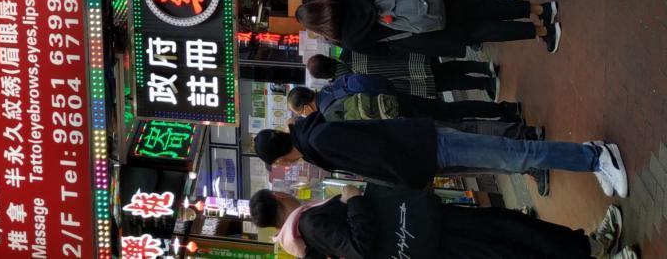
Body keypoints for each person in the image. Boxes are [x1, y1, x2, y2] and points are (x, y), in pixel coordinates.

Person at [254, 117, 628, 196]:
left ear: (282, 159)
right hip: (426, 150)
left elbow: (381, 153)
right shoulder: (316, 140)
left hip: (426, 148)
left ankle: (595, 156)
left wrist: (412, 181)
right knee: (514, 158)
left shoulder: (321, 139)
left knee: (516, 155)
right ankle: (588, 156)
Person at [248, 188, 630, 259]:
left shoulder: (307, 233)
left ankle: (588, 247)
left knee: (511, 232)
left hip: (427, 235)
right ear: (278, 197)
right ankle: (590, 249)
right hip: (431, 238)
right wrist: (354, 200)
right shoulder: (310, 226)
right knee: (510, 240)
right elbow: (360, 248)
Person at [295, 0, 562, 55]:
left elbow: (382, 49)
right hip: (421, 1)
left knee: (485, 31)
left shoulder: (349, 40)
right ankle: (540, 8)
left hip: (423, 28)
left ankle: (540, 31)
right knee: (483, 8)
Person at [286, 78, 522, 124]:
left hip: (398, 118)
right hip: (396, 100)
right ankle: (503, 110)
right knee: (447, 110)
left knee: (451, 120)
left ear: (306, 107)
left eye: (301, 112)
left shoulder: (330, 115)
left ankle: (504, 114)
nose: (305, 115)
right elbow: (365, 80)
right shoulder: (333, 86)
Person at [306, 52, 498, 100]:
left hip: (407, 84)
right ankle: (483, 67)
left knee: (448, 83)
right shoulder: (347, 53)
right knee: (446, 68)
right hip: (408, 63)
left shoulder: (345, 85)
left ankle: (484, 83)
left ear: (324, 76)